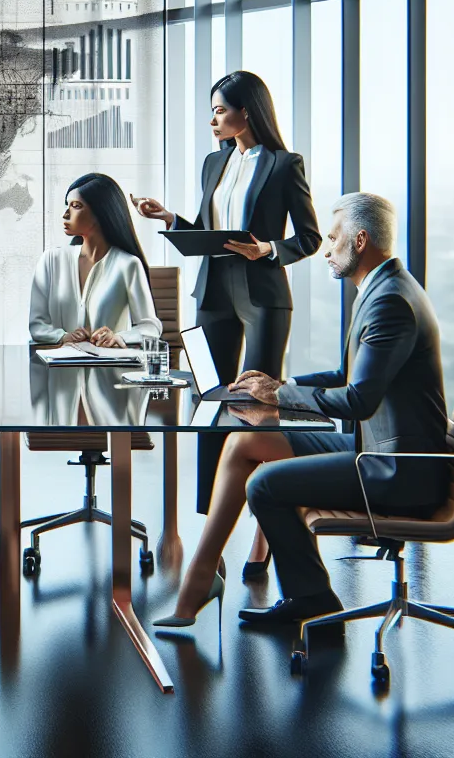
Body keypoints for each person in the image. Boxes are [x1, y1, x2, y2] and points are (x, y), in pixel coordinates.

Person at [130, 69, 320, 580]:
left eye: (219, 110)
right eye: (212, 111)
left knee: (258, 411)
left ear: (246, 112)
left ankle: (265, 529)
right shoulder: (214, 162)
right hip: (213, 293)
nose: (213, 120)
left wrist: (268, 249)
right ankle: (211, 532)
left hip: (262, 296)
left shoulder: (284, 165)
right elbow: (208, 232)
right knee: (210, 403)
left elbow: (309, 237)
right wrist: (170, 220)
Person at [228, 193, 450, 625]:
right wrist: (282, 386)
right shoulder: (385, 288)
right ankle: (304, 592)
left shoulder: (389, 301)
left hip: (398, 469)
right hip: (382, 449)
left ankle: (311, 599)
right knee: (265, 442)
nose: (326, 250)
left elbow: (358, 400)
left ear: (360, 240)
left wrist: (280, 397)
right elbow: (346, 375)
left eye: (333, 239)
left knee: (264, 485)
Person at [30, 172, 161, 347]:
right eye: (67, 205)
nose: (65, 214)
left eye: (76, 206)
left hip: (108, 362)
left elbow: (150, 327)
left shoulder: (128, 264)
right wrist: (63, 337)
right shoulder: (50, 261)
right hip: (59, 363)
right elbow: (37, 325)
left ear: (101, 212)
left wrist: (118, 337)